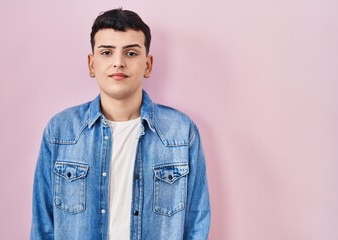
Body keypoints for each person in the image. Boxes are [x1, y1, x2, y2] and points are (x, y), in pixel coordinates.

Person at [30, 8, 210, 240]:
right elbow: (43, 226)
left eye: (131, 53)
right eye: (106, 52)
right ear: (91, 64)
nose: (118, 63)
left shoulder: (181, 133)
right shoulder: (60, 132)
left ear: (148, 64)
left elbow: (196, 222)